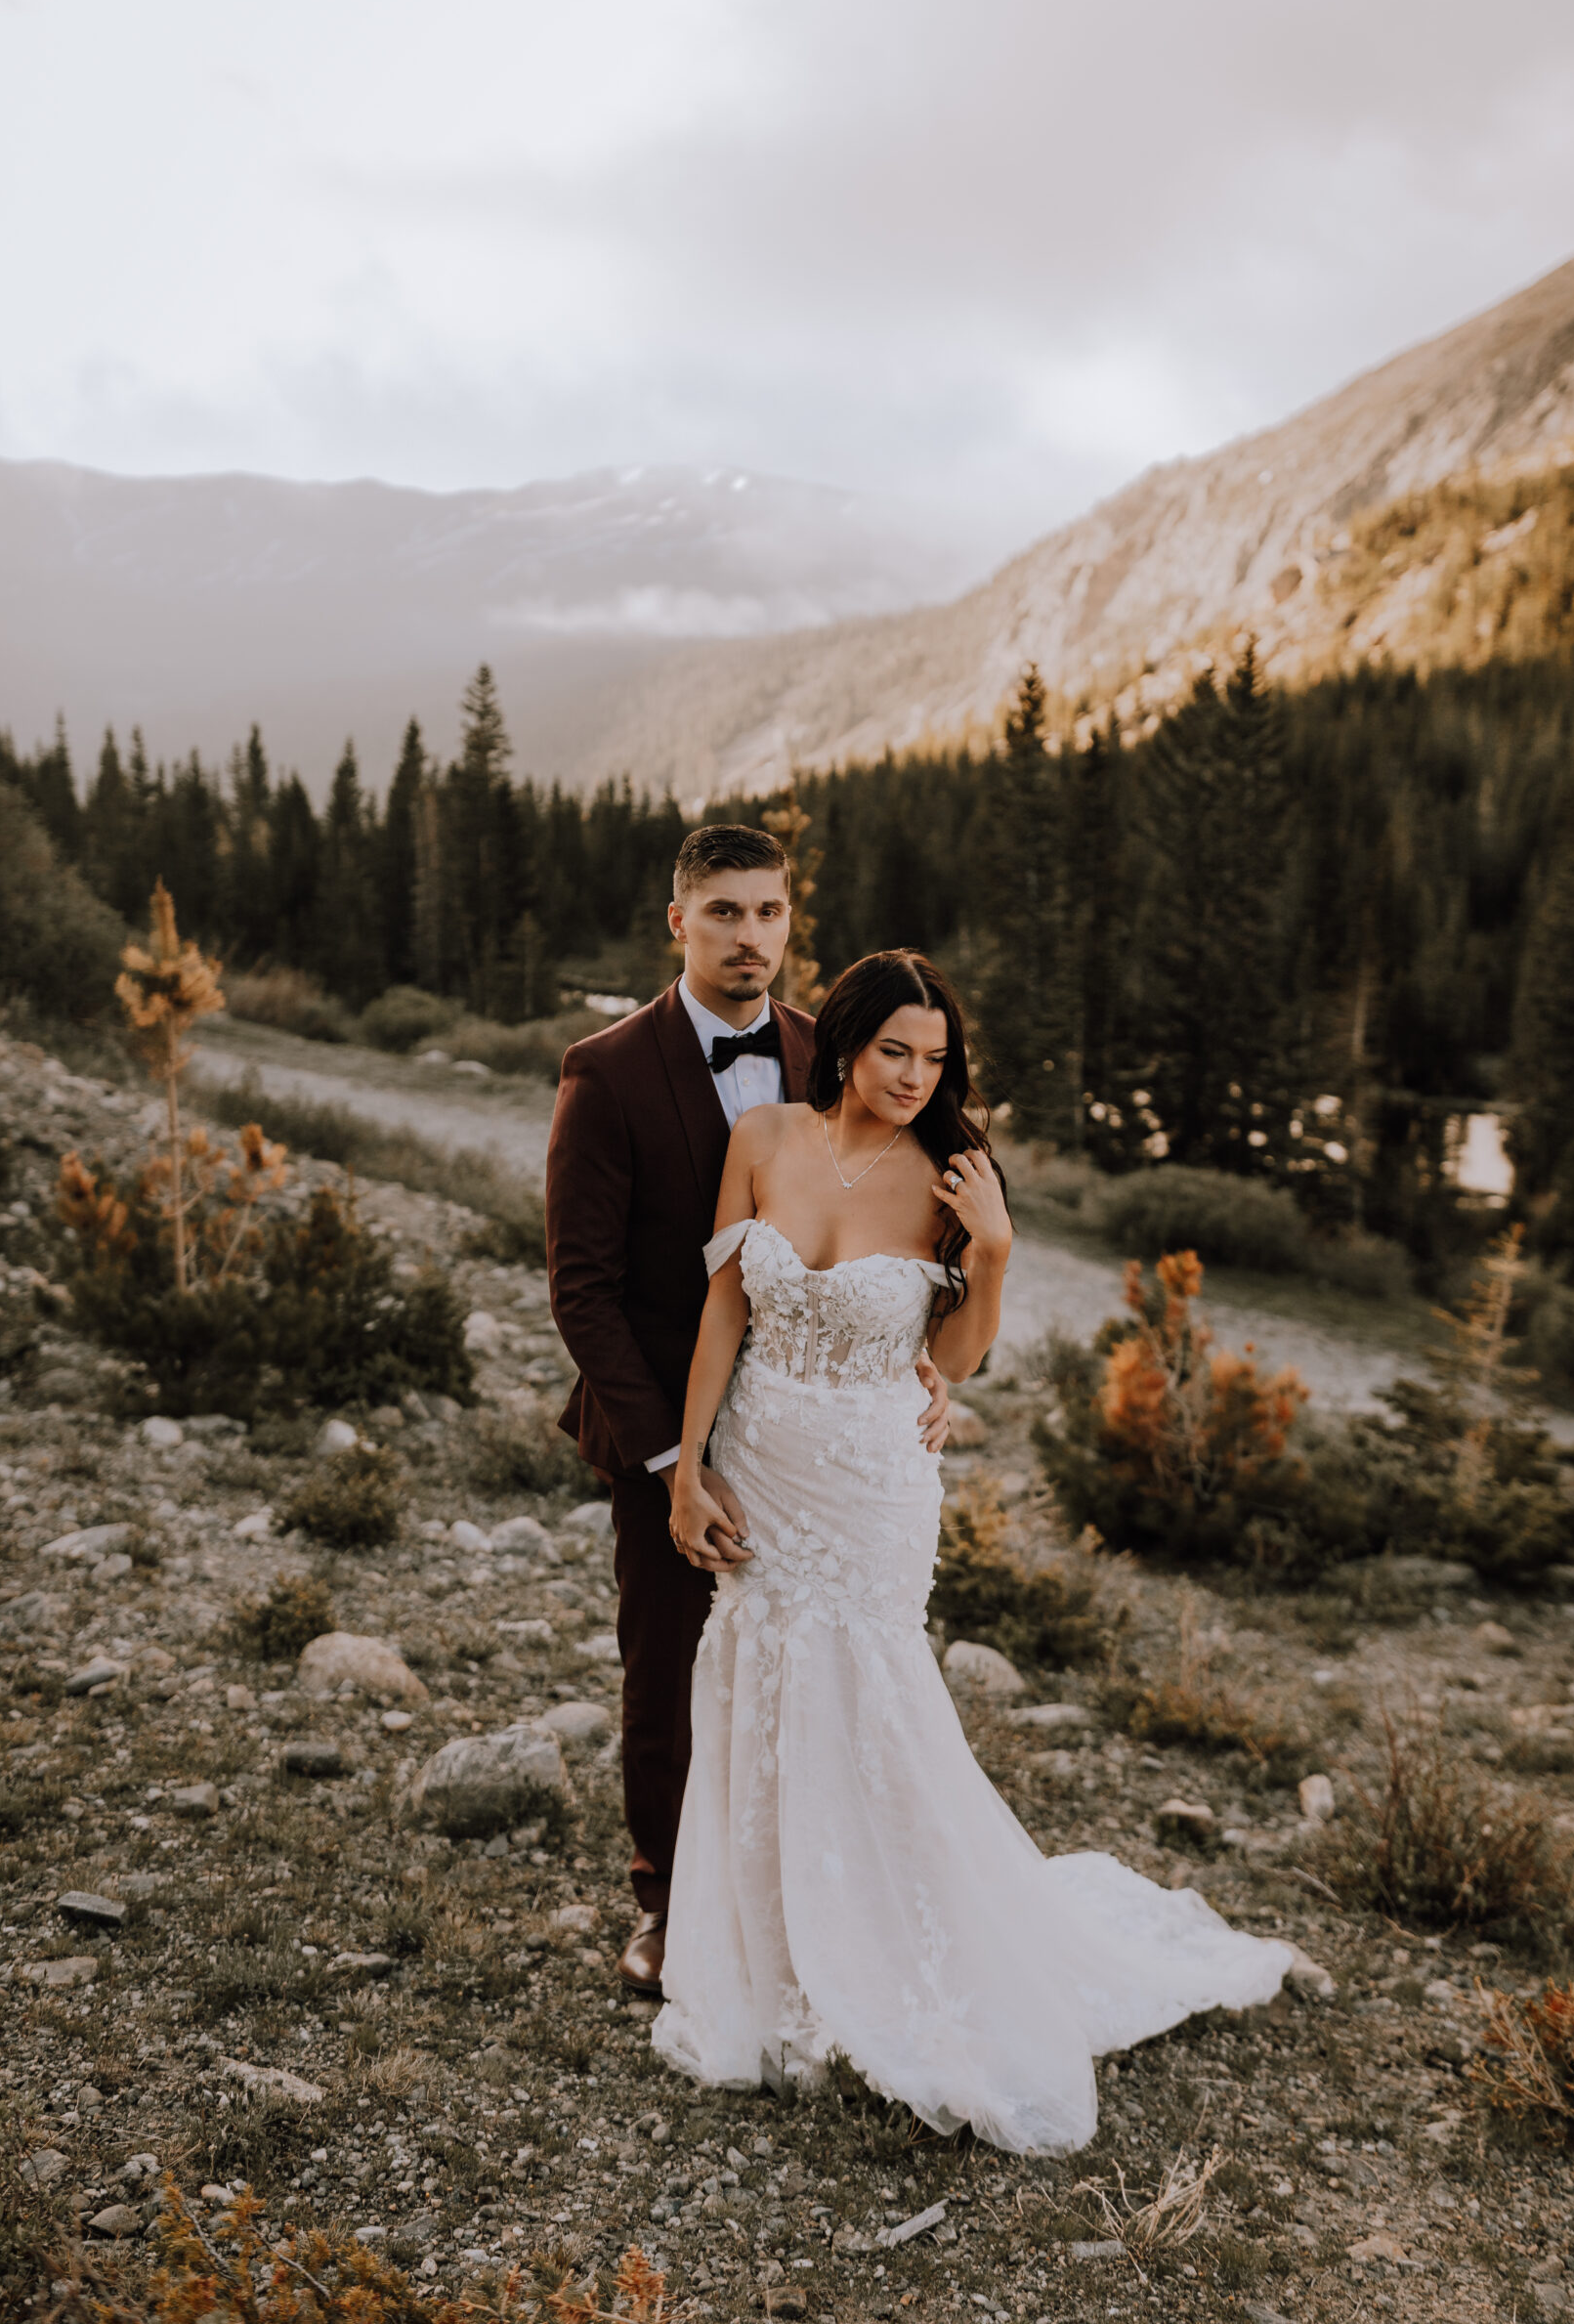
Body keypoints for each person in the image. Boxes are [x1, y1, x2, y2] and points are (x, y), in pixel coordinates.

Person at [652, 949, 1294, 2154]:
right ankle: (769, 1964)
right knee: (758, 1683)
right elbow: (724, 1310)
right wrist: (687, 1467)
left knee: (870, 1702)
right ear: (844, 1042)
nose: (913, 1076)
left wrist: (990, 1252)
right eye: (895, 1050)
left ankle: (898, 1956)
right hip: (760, 1461)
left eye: (936, 1058)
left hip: (870, 1484)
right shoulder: (767, 1139)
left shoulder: (956, 1173)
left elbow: (959, 1360)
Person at [543, 827, 950, 1999]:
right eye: (724, 912)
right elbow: (582, 1288)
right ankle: (669, 1902)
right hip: (668, 1428)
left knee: (810, 1668)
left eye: (769, 913)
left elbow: (902, 1230)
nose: (750, 938)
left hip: (813, 1441)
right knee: (670, 1664)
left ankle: (811, 1895)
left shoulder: (845, 1054)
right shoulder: (606, 1069)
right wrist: (673, 1453)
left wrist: (916, 1361)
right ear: (677, 921)